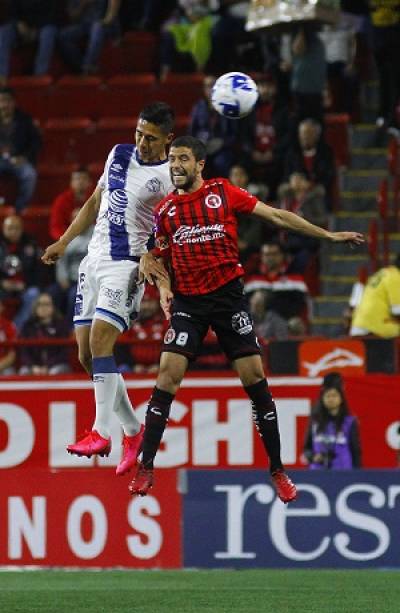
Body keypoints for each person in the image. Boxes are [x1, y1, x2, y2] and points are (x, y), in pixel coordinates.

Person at [129, 135, 364, 501]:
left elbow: (276, 215)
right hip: (190, 305)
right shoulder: (166, 212)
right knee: (166, 377)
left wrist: (327, 236)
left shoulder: (223, 193)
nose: (175, 165)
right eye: (172, 159)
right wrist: (157, 279)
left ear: (200, 164)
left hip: (228, 301)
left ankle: (277, 469)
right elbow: (152, 257)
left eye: (183, 159)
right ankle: (146, 464)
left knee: (256, 380)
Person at [41, 102, 175, 477]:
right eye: (139, 133)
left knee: (102, 344)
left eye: (150, 138)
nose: (142, 142)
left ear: (168, 139)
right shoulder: (118, 154)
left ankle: (101, 432)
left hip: (127, 265)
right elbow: (95, 201)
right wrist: (65, 242)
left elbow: (168, 229)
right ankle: (134, 430)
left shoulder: (167, 176)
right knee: (87, 356)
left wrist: (154, 261)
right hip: (94, 261)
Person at [303, 378, 362, 469]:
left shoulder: (350, 422)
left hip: (344, 471)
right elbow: (307, 448)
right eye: (327, 396)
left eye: (334, 396)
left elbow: (355, 450)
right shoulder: (315, 421)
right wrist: (312, 457)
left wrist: (358, 473)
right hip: (317, 472)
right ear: (322, 399)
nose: (331, 399)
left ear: (341, 399)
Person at [0, 87, 42, 212]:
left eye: (7, 101)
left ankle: (20, 207)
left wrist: (24, 157)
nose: (4, 105)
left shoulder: (25, 120)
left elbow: (36, 143)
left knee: (30, 175)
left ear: (13, 103)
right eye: (1, 101)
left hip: (18, 159)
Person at [0, 214, 41, 330]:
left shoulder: (31, 244)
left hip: (23, 287)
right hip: (2, 286)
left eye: (16, 228)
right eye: (10, 228)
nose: (13, 231)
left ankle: (15, 329)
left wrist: (25, 284)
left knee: (34, 293)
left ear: (21, 229)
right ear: (3, 229)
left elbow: (37, 271)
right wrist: (2, 283)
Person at [58, 0, 122, 75]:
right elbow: (72, 17)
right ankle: (81, 67)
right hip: (84, 25)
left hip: (104, 24)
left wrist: (107, 21)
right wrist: (83, 5)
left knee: (97, 27)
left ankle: (88, 67)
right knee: (62, 36)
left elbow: (114, 8)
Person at [18, 292, 71, 375]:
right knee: (24, 371)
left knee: (54, 371)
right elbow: (24, 352)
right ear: (35, 307)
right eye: (40, 304)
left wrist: (48, 366)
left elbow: (64, 352)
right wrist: (33, 366)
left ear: (53, 307)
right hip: (34, 366)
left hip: (56, 365)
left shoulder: (62, 325)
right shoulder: (27, 326)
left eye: (47, 304)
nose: (43, 307)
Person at [350, 254, 400, 338]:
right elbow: (397, 311)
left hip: (359, 325)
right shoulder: (396, 277)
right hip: (374, 329)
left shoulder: (383, 272)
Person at [49, 167, 93, 241]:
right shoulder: (62, 200)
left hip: (90, 235)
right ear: (71, 182)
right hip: (69, 238)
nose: (80, 182)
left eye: (84, 178)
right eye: (77, 179)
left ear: (89, 182)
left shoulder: (95, 198)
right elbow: (55, 228)